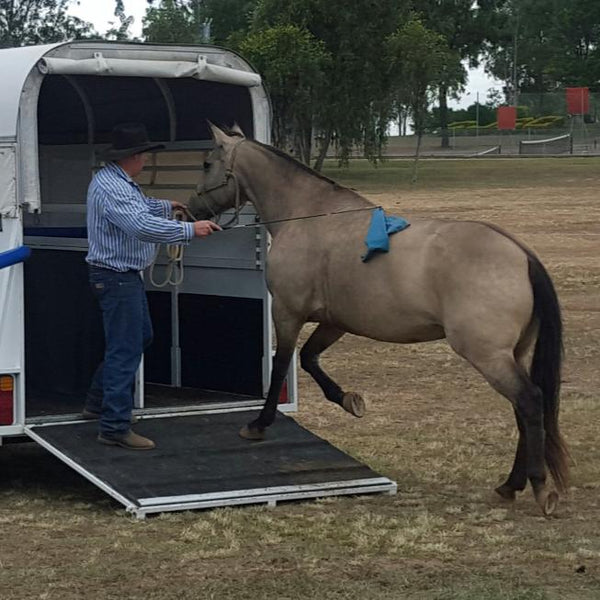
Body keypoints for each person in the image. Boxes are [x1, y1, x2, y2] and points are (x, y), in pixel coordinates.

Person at [83, 123, 221, 450]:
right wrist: (191, 231)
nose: (146, 159)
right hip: (116, 276)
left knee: (136, 338)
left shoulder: (117, 182)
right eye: (144, 154)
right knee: (126, 346)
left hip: (121, 276)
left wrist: (165, 205)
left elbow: (140, 209)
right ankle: (115, 425)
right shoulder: (112, 188)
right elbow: (140, 225)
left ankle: (97, 401)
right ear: (132, 157)